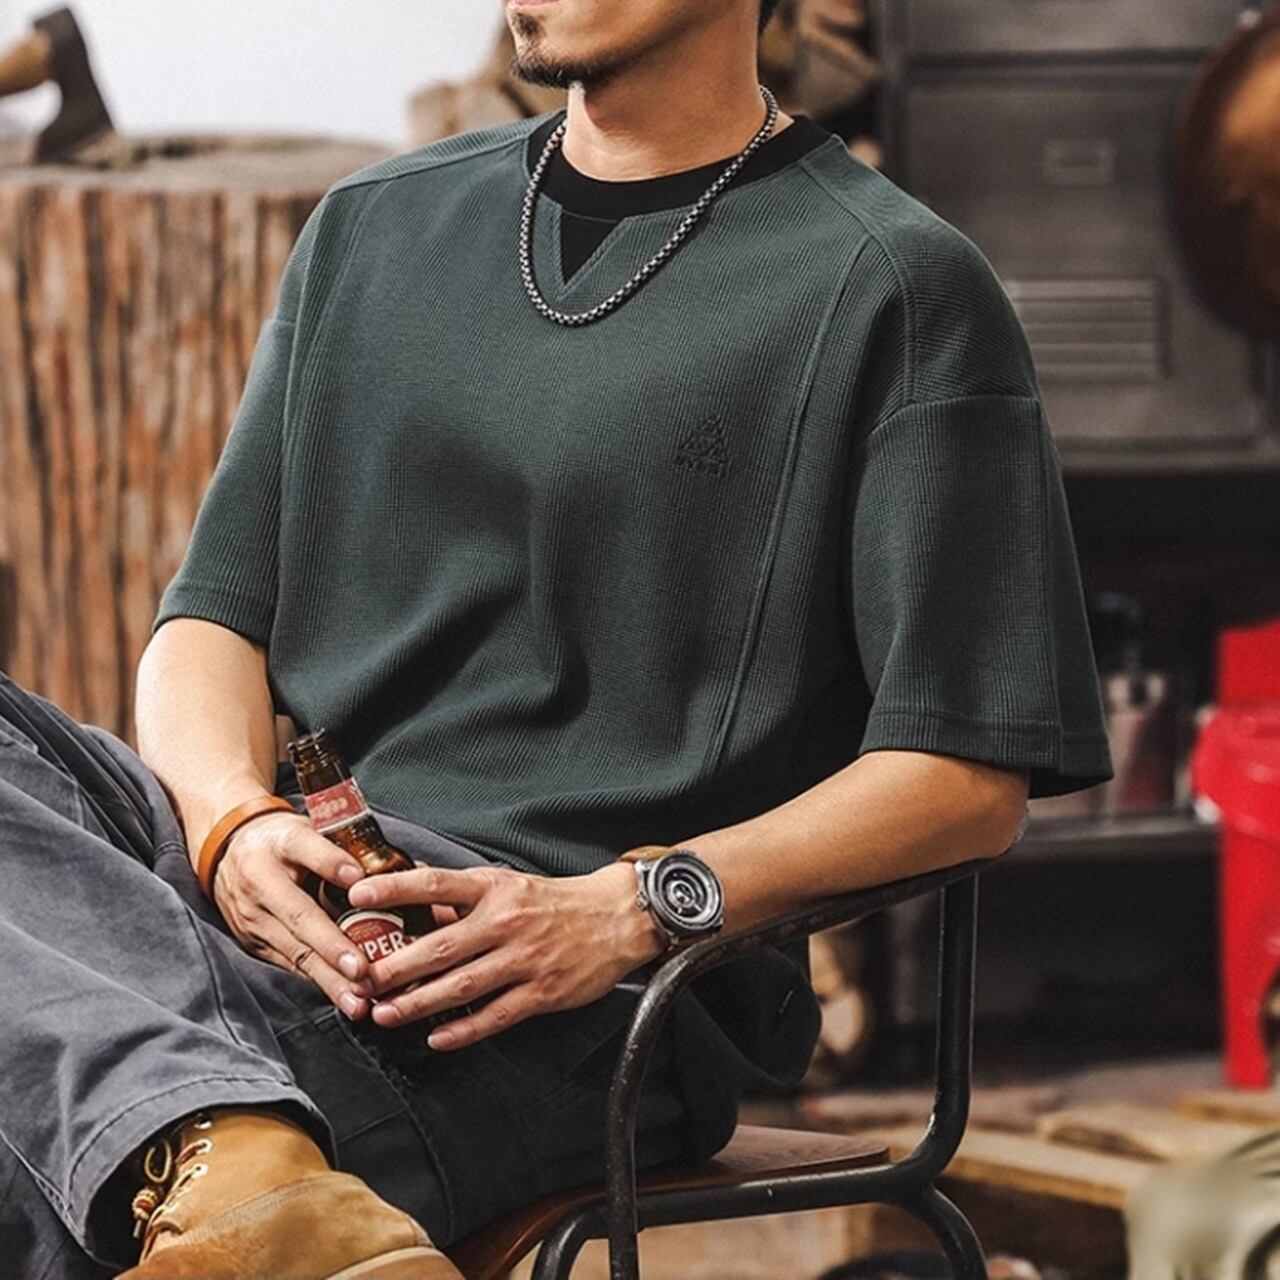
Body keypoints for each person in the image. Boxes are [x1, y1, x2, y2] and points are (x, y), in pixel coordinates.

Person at [0, 0, 1114, 1275]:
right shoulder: (373, 227)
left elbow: (963, 778)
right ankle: (224, 1146)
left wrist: (631, 905)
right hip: (290, 896)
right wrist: (228, 822)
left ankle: (206, 1137)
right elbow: (210, 618)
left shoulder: (897, 285)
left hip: (556, 984)